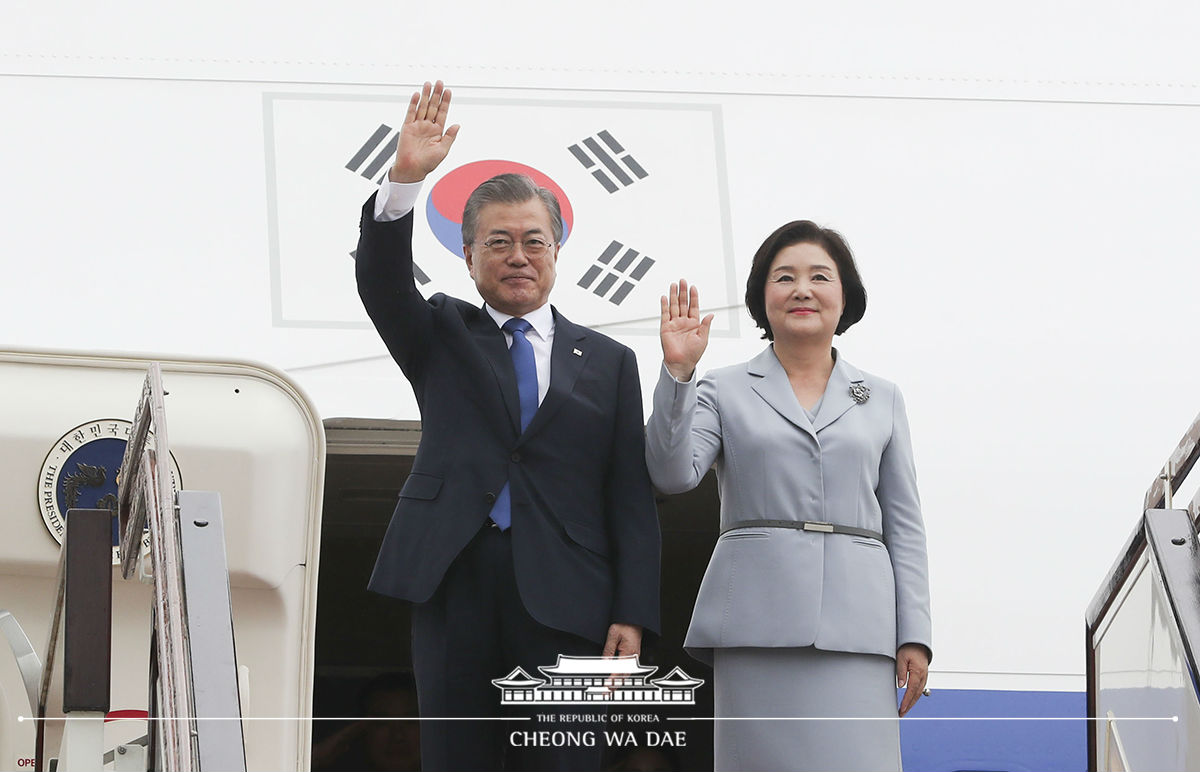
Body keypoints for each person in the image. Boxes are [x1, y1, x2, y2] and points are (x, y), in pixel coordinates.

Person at [354, 80, 661, 772]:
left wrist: (632, 612)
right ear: (468, 259)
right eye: (498, 242)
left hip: (572, 596)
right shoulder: (440, 332)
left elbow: (628, 498)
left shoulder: (610, 362)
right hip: (452, 577)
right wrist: (403, 180)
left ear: (556, 254)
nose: (517, 255)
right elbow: (380, 282)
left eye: (533, 241)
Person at [644, 221, 932, 771]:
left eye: (819, 276)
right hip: (756, 621)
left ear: (844, 295)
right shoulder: (722, 388)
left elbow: (905, 525)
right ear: (762, 297)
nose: (802, 289)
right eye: (785, 277)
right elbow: (671, 473)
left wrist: (914, 632)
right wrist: (678, 374)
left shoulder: (882, 398)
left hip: (860, 628)